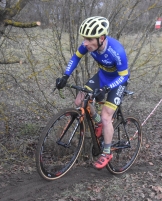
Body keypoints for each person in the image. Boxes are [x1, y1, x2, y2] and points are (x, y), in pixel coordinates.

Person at [56, 16, 129, 169]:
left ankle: (107, 152)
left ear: (101, 38)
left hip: (117, 82)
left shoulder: (117, 51)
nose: (85, 43)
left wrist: (108, 89)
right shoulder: (88, 46)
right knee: (80, 101)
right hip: (102, 77)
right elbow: (75, 58)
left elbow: (124, 75)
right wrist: (65, 76)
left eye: (89, 39)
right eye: (84, 39)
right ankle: (98, 122)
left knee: (106, 116)